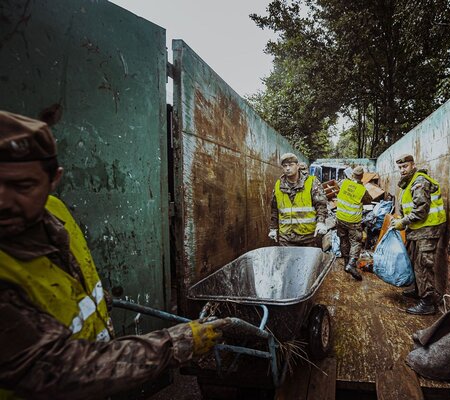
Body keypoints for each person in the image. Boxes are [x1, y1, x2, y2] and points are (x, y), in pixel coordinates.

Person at [0, 110, 229, 399]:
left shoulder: (55, 211)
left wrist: (93, 297)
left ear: (53, 180)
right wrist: (174, 343)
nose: (2, 200)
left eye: (22, 186)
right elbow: (52, 367)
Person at [391, 154, 447, 315]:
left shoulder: (419, 182)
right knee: (415, 261)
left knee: (423, 265)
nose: (402, 170)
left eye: (405, 166)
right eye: (400, 167)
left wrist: (403, 222)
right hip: (418, 229)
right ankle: (418, 290)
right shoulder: (409, 183)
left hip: (428, 229)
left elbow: (421, 210)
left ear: (413, 165)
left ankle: (427, 302)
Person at [269, 153, 328, 247]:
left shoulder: (311, 182)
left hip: (308, 237)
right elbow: (274, 210)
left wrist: (321, 222)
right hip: (286, 238)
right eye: (285, 166)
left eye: (291, 165)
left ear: (297, 166)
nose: (288, 168)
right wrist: (273, 228)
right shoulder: (278, 185)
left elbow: (321, 205)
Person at [336, 165, 372, 281]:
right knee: (356, 242)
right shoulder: (362, 190)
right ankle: (351, 265)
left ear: (352, 175)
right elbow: (369, 200)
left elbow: (338, 186)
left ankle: (346, 262)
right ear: (362, 177)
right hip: (353, 221)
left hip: (340, 218)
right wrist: (360, 185)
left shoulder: (343, 183)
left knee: (344, 240)